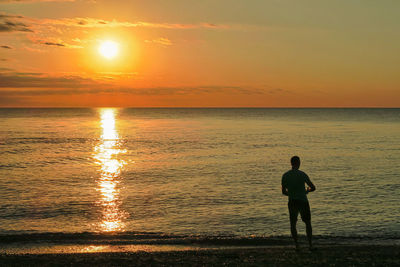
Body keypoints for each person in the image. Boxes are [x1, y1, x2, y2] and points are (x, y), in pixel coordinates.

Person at [281, 156, 316, 251]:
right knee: (307, 222)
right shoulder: (302, 174)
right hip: (303, 201)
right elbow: (313, 187)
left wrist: (292, 193)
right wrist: (307, 190)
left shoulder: (285, 175)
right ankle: (310, 245)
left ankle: (297, 245)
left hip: (292, 201)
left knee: (293, 223)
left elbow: (284, 192)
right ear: (299, 163)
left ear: (291, 163)